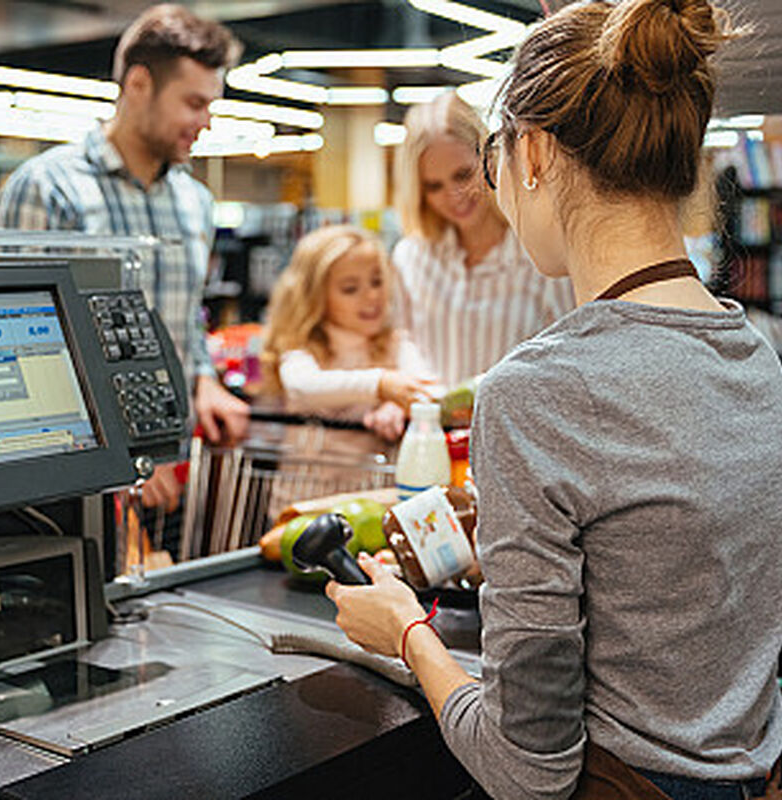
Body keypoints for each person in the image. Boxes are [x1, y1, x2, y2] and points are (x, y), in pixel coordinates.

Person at [327, 2, 782, 799]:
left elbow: (524, 770)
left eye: (493, 161)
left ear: (531, 152)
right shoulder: (758, 353)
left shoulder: (535, 395)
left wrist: (406, 633)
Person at [0, 4, 250, 511]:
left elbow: (185, 321)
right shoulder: (49, 188)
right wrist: (123, 455)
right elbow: (23, 341)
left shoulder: (194, 202)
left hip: (174, 467)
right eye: (194, 103)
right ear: (138, 85)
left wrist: (204, 381)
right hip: (75, 481)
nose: (206, 122)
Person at [391, 92, 575, 388]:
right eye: (434, 186)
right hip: (433, 429)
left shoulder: (542, 253)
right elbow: (399, 337)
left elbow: (571, 353)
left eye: (463, 175)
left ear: (491, 160)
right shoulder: (410, 257)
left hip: (517, 429)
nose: (454, 196)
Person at [262, 225, 434, 442]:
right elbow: (302, 386)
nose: (372, 296)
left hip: (375, 476)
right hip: (305, 475)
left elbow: (427, 389)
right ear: (315, 297)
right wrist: (380, 385)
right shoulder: (302, 346)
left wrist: (398, 406)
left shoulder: (395, 344)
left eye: (377, 282)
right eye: (350, 288)